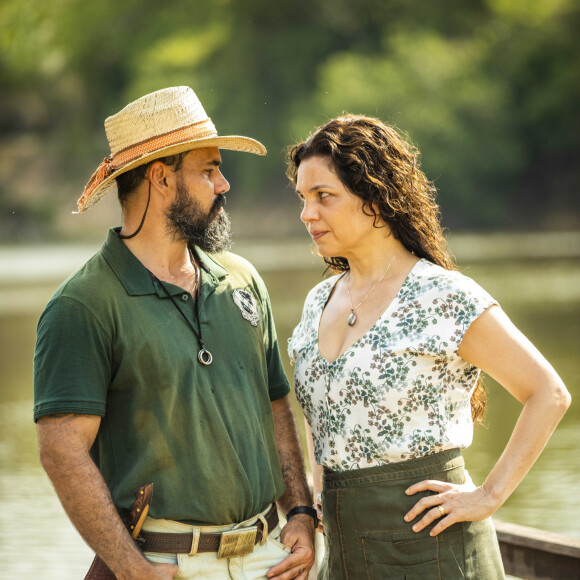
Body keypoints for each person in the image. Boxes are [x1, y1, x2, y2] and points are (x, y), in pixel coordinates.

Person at [33, 86, 315, 580]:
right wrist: (131, 568)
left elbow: (275, 407)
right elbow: (62, 451)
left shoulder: (243, 280)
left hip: (274, 558)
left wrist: (301, 513)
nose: (224, 184)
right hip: (165, 568)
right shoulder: (82, 305)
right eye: (208, 170)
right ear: (161, 178)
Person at [286, 114, 571, 579]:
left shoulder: (442, 296)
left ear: (374, 197)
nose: (307, 214)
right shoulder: (320, 299)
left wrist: (488, 496)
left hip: (431, 551)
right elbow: (319, 412)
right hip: (340, 551)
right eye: (303, 198)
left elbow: (548, 393)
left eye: (324, 196)